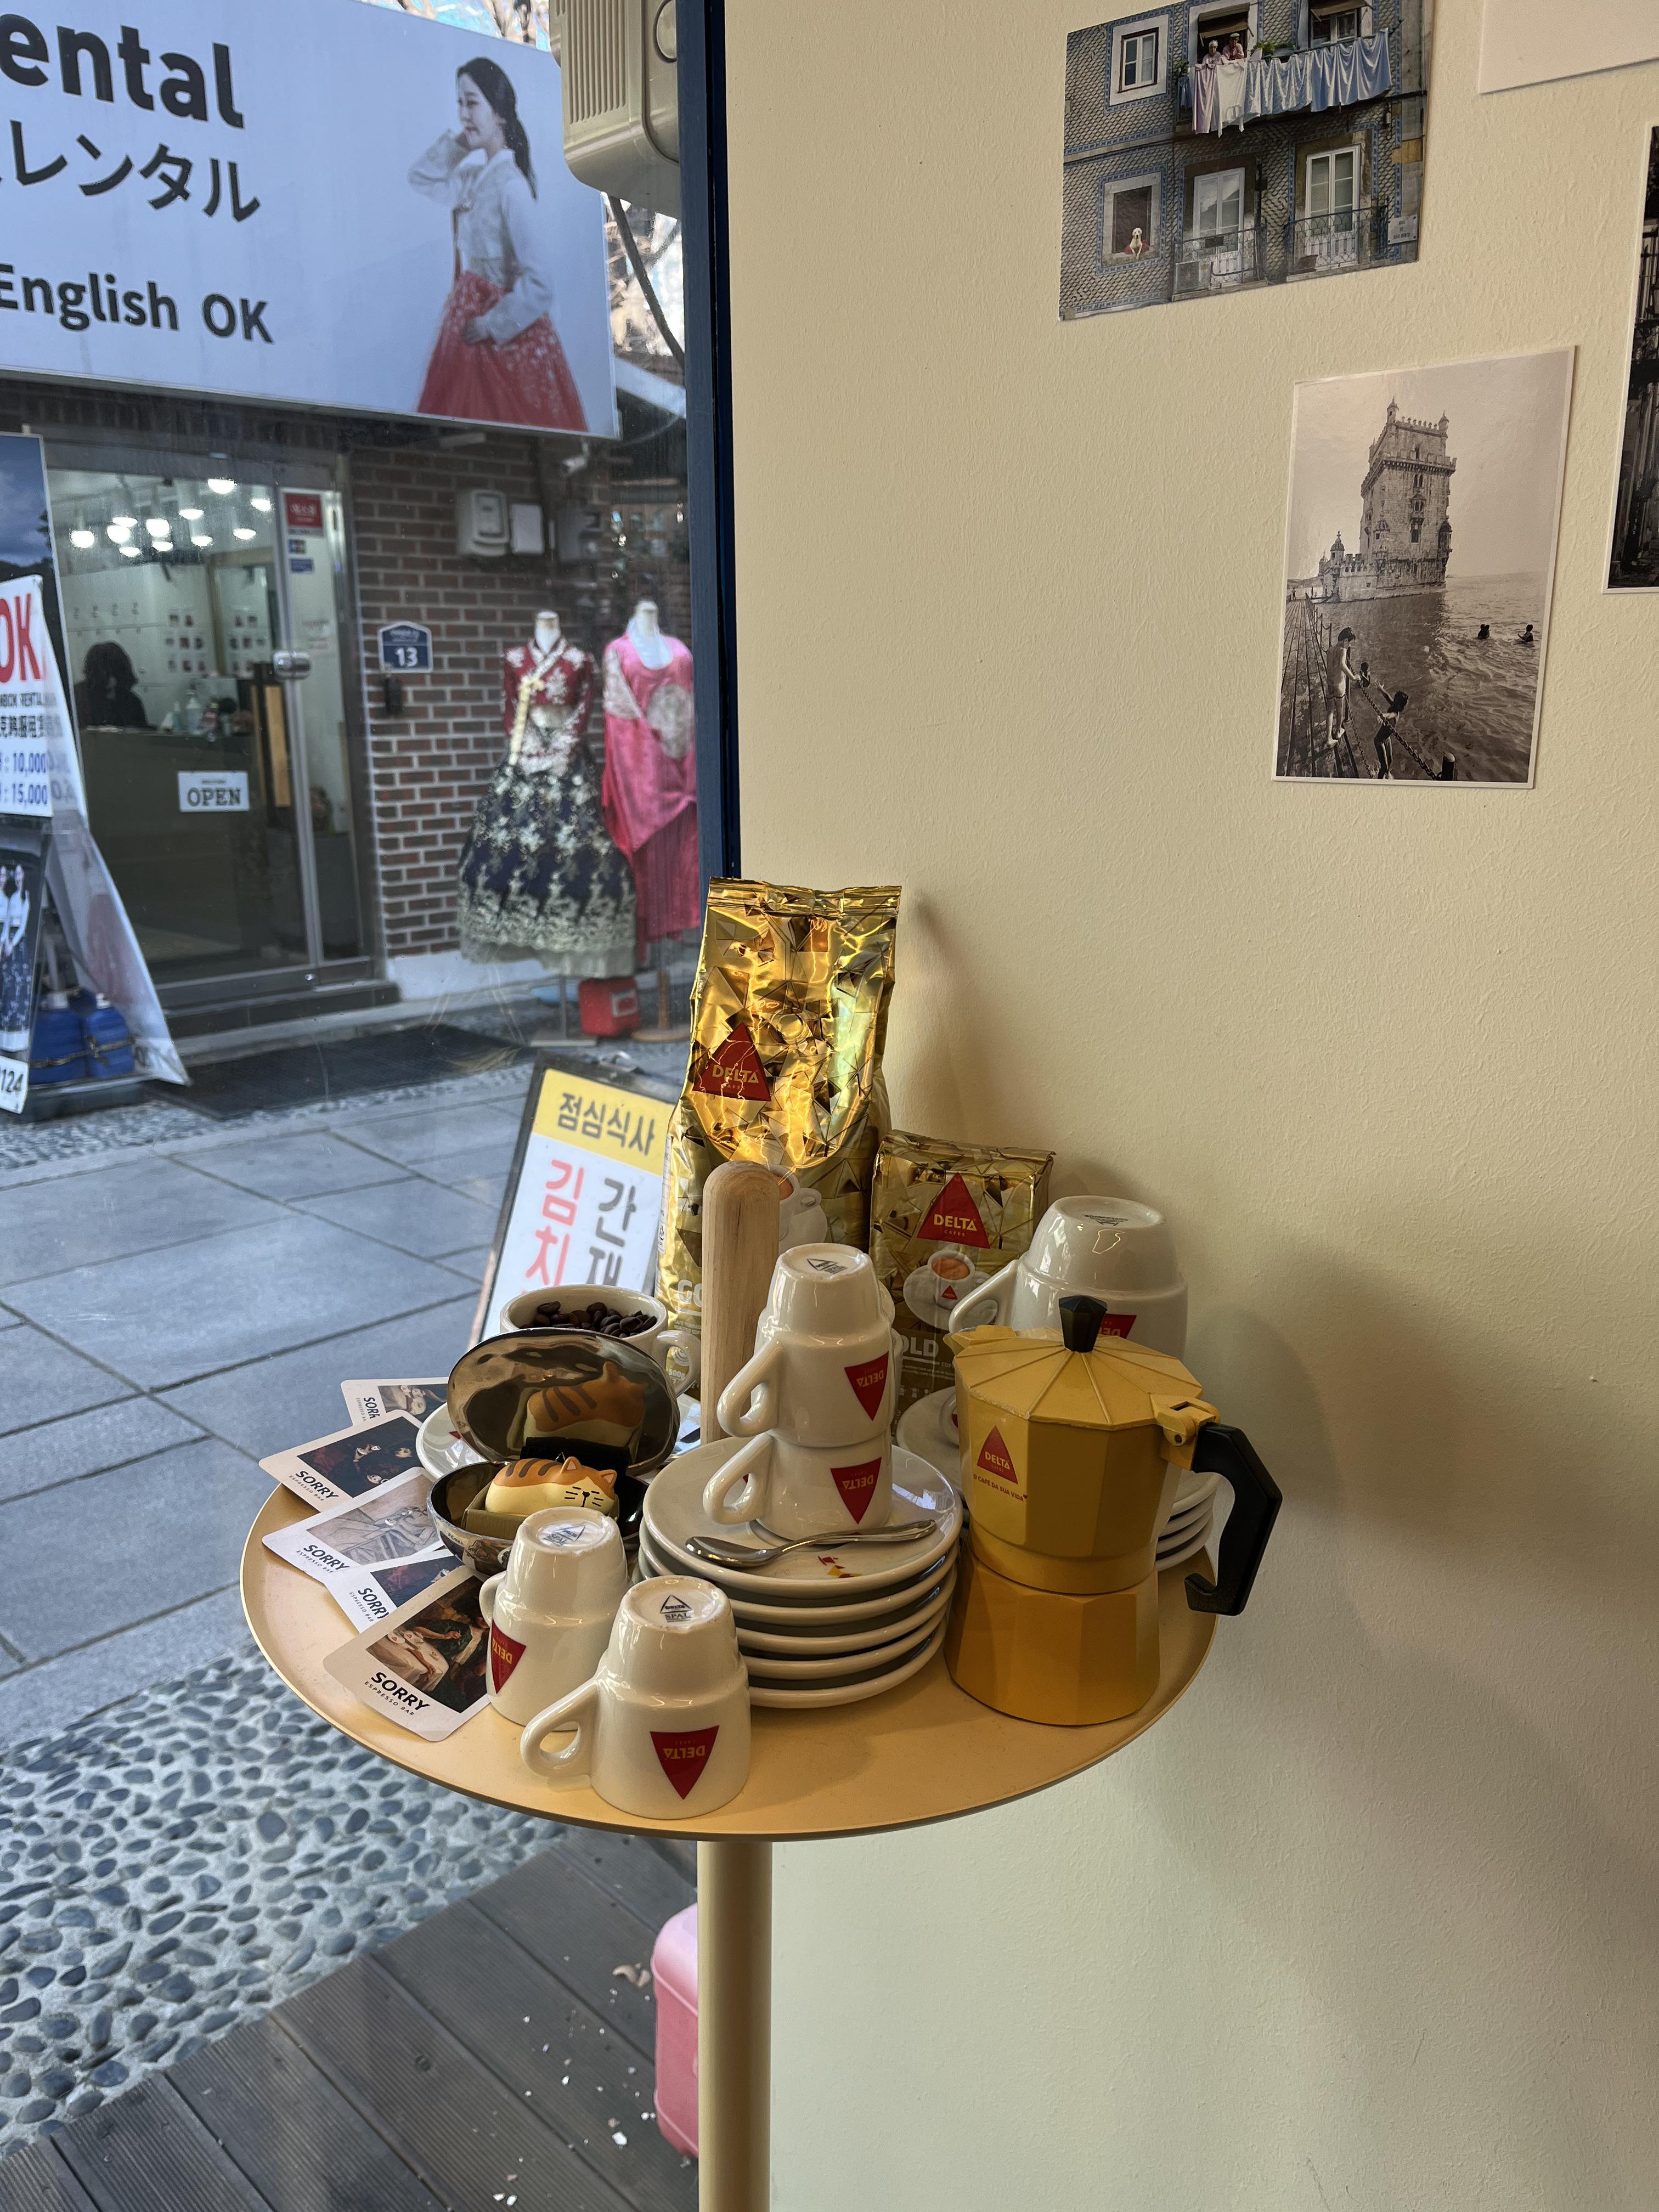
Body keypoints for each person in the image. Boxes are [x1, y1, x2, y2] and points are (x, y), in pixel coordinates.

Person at [409, 57, 586, 431]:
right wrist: (465, 140)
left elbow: (540, 284)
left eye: (472, 103)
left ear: (500, 114)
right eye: (460, 104)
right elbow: (422, 177)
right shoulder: (473, 178)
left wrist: (492, 325)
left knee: (498, 424)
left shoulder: (512, 187)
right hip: (466, 331)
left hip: (503, 339)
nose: (463, 114)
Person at [74, 642, 149, 730]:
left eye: (115, 673)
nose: (111, 680)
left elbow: (142, 732)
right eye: (106, 674)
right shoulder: (78, 697)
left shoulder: (131, 701)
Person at [1370, 688, 1408, 779]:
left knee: (1390, 759)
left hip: (1387, 738)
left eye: (1404, 706)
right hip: (1379, 741)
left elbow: (1387, 696)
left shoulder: (1394, 706)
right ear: (1398, 704)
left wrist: (1381, 689)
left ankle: (1386, 774)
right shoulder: (1395, 712)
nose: (1404, 708)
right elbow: (1390, 715)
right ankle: (1379, 781)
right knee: (1384, 766)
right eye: (1403, 706)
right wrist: (1383, 715)